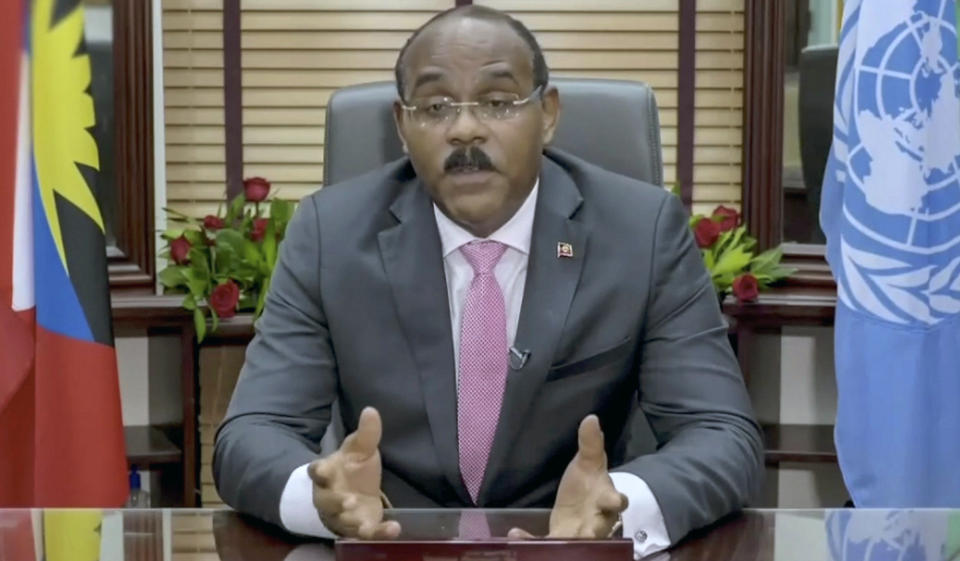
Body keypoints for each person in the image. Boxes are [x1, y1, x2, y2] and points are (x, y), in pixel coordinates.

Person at [213, 5, 763, 558]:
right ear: (402, 128)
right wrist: (322, 498)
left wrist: (619, 502)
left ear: (547, 114)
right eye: (434, 107)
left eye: (499, 103)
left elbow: (722, 435)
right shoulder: (330, 234)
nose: (465, 129)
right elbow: (251, 434)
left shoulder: (640, 232)